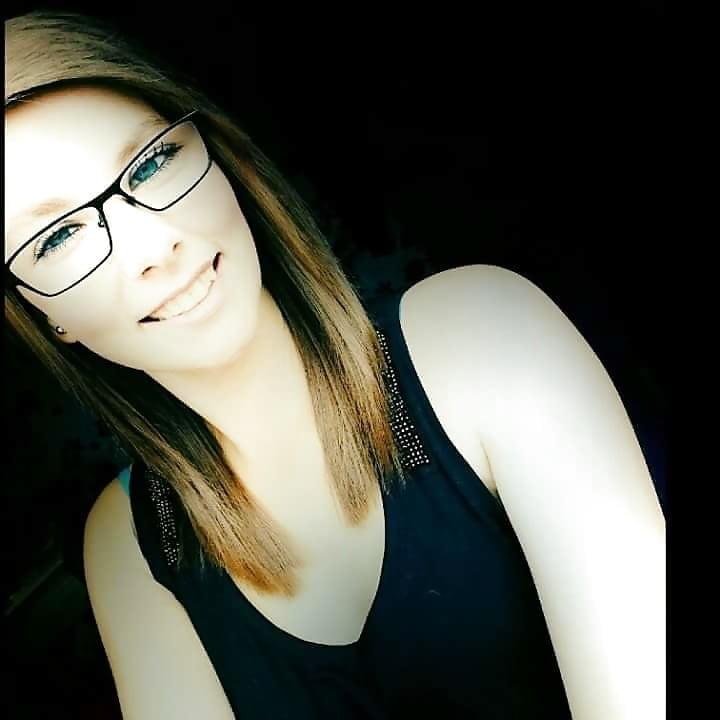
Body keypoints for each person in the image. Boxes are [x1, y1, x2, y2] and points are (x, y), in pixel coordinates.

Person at [5, 11, 666, 720]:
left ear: (216, 155)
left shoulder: (483, 335)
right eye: (59, 237)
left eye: (150, 162)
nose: (153, 246)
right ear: (44, 317)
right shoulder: (136, 547)